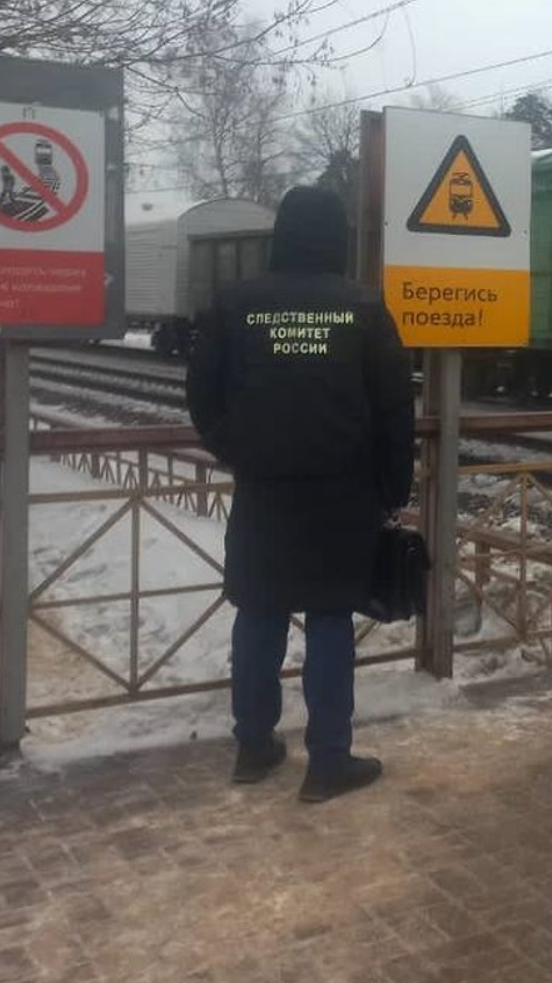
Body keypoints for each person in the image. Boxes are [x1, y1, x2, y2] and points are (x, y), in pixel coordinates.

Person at [184, 186, 415, 803]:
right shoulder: (364, 308)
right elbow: (396, 409)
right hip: (342, 495)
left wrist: (235, 447)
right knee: (331, 619)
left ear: (281, 235)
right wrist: (395, 484)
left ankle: (254, 746)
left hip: (264, 490)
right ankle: (328, 762)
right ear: (337, 238)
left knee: (258, 613)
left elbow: (202, 394)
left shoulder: (236, 304)